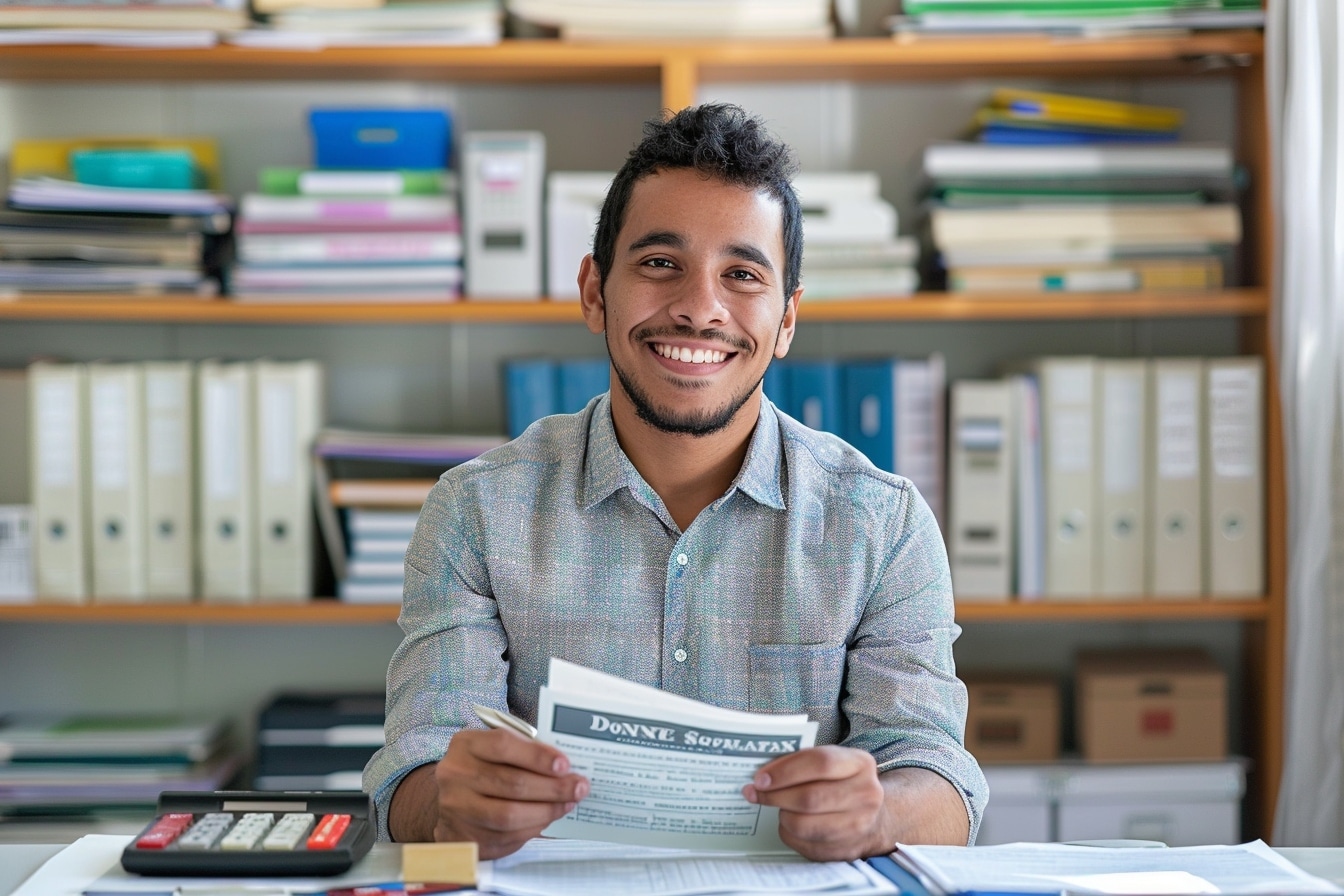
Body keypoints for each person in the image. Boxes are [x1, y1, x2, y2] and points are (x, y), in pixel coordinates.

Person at [363, 102, 987, 862]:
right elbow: (413, 777)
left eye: (742, 274)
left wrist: (881, 812)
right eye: (660, 264)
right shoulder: (475, 512)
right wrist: (448, 805)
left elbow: (941, 780)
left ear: (787, 319)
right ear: (595, 291)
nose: (698, 308)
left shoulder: (882, 524)